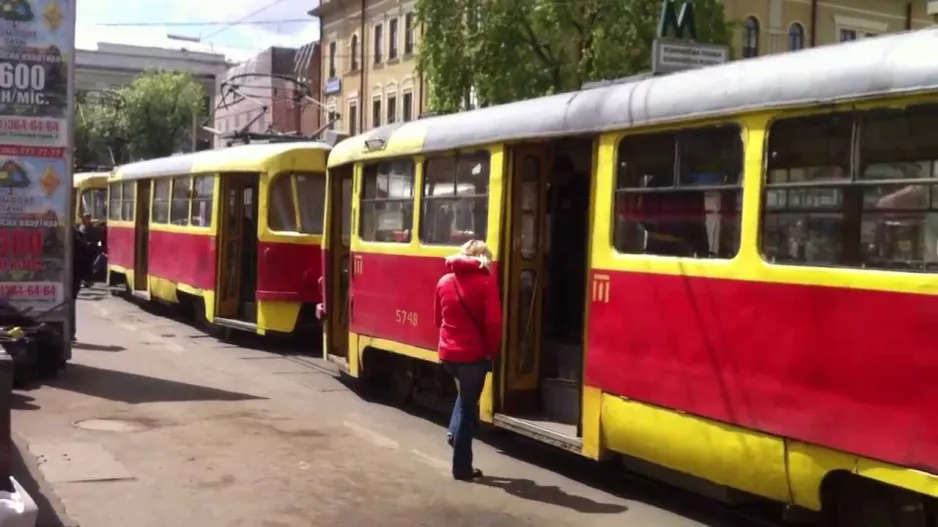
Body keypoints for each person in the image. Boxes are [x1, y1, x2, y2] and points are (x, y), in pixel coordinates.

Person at [434, 239, 502, 481]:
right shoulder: (486, 283)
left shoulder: (444, 281)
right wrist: (490, 351)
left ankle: (454, 434)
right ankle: (462, 468)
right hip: (472, 356)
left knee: (464, 399)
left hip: (448, 355)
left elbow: (437, 319)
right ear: (484, 258)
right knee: (467, 409)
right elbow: (493, 323)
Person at [71, 225, 93, 341]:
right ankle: (70, 333)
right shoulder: (79, 241)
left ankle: (69, 332)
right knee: (69, 304)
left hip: (71, 278)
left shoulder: (76, 241)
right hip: (74, 278)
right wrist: (87, 277)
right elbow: (87, 260)